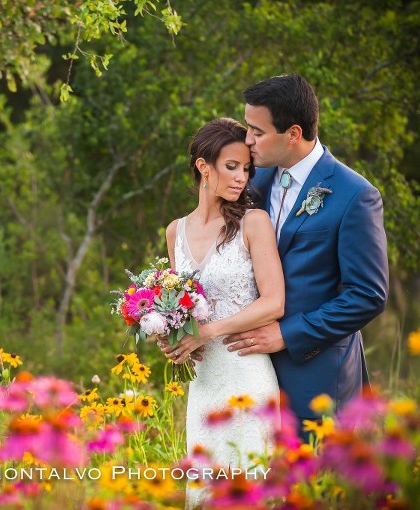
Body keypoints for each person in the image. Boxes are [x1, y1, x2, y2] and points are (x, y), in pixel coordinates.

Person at [222, 73, 389, 441]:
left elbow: (368, 295)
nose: (247, 141)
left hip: (318, 372)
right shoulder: (254, 184)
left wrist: (287, 334)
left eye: (257, 132)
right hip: (252, 371)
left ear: (293, 134)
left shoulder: (355, 195)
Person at [162, 118, 285, 508]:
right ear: (204, 166)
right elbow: (179, 307)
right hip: (203, 384)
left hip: (246, 375)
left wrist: (208, 330)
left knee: (250, 490)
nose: (241, 178)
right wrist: (171, 334)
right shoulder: (175, 231)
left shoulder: (254, 222)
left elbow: (274, 302)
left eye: (246, 169)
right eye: (232, 166)